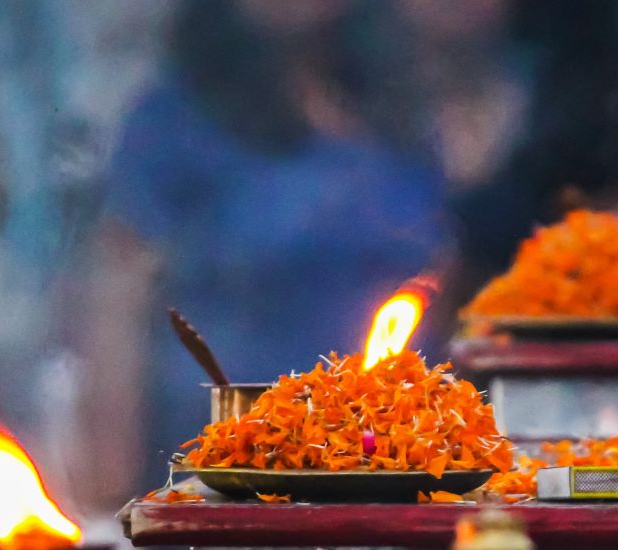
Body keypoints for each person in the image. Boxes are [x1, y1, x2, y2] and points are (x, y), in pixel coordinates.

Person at [79, 0, 452, 508]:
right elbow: (117, 294)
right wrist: (109, 485)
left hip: (387, 470)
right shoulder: (176, 120)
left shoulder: (395, 113)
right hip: (234, 475)